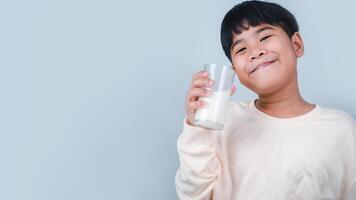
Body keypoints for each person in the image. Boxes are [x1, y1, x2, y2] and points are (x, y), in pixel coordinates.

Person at [175, 1, 356, 200]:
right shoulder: (222, 122)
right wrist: (197, 128)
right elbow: (194, 196)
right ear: (235, 71)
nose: (255, 52)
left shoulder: (341, 129)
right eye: (241, 49)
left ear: (296, 44)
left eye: (265, 37)